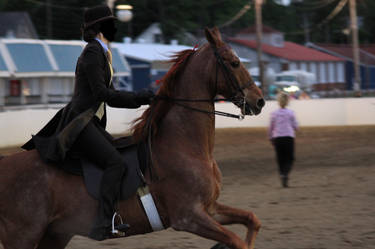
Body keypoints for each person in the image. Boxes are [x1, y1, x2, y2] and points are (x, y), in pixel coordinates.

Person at [22, 5, 154, 240]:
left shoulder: (102, 53)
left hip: (89, 124)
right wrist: (143, 96)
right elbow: (105, 95)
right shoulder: (93, 53)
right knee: (115, 163)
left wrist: (143, 99)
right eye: (111, 24)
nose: (115, 28)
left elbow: (111, 96)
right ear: (100, 28)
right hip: (79, 125)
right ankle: (105, 221)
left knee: (120, 154)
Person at [268, 92, 298, 188]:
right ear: (287, 101)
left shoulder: (274, 114)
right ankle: (285, 173)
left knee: (280, 158)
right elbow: (296, 126)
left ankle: (282, 174)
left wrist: (270, 137)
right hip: (288, 137)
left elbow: (271, 128)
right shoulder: (291, 113)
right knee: (290, 158)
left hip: (277, 138)